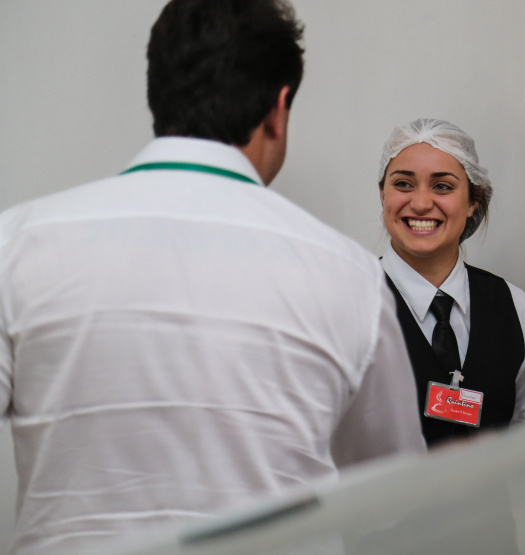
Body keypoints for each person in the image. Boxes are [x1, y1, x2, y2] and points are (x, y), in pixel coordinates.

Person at [0, 1, 424, 553]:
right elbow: (393, 490)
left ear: (159, 94)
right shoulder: (349, 276)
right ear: (278, 110)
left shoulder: (17, 243)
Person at [377, 119, 525, 447]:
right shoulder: (348, 303)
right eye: (403, 184)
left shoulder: (514, 307)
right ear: (383, 194)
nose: (421, 203)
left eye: (442, 186)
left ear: (472, 201)